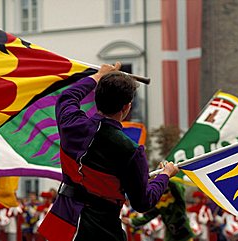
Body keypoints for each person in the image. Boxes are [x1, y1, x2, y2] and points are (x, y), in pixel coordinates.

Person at [38, 62, 179, 241]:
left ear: (96, 96)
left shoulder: (72, 124)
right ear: (126, 108)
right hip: (101, 229)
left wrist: (98, 75)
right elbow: (143, 202)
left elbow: (67, 96)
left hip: (63, 222)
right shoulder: (131, 150)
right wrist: (165, 175)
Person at [122, 180, 194, 241]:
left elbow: (177, 188)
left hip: (185, 232)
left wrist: (167, 176)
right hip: (171, 234)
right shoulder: (159, 202)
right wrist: (131, 221)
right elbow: (148, 217)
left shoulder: (177, 198)